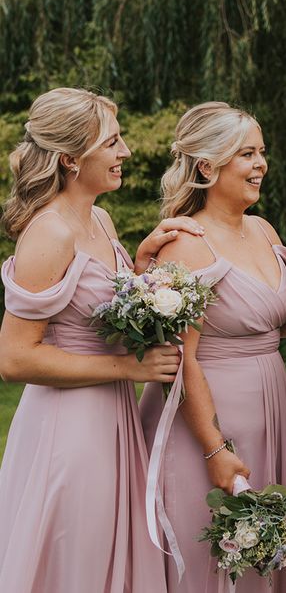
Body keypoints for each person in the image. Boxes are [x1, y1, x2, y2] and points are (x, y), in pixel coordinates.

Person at [0, 87, 200, 592]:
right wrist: (130, 370)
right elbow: (15, 358)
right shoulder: (50, 233)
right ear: (70, 159)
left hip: (112, 418)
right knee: (78, 556)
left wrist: (143, 267)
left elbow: (94, 308)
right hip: (68, 429)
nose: (125, 152)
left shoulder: (100, 219)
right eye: (112, 142)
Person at [139, 102, 286, 593]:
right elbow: (182, 358)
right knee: (210, 552)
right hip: (208, 418)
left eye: (262, 152)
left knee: (266, 552)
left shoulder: (264, 230)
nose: (261, 165)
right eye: (247, 154)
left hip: (271, 406)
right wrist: (214, 448)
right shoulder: (187, 244)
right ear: (207, 167)